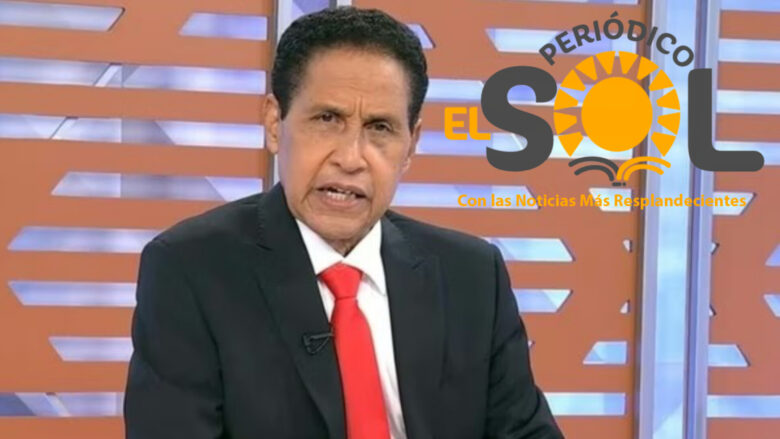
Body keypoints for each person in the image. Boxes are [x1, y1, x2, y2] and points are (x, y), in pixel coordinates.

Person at [124, 6, 563, 439]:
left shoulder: (472, 276)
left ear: (411, 145)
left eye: (380, 128)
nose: (351, 158)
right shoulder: (192, 271)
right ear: (275, 124)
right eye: (327, 119)